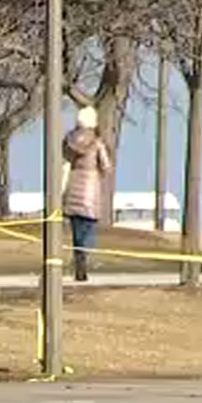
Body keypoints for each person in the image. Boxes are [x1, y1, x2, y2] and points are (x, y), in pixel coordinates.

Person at [60, 105, 112, 283]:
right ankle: (84, 260)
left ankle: (78, 259)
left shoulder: (69, 140)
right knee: (88, 228)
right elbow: (106, 166)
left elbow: (63, 158)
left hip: (73, 185)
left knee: (76, 229)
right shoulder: (97, 142)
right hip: (90, 190)